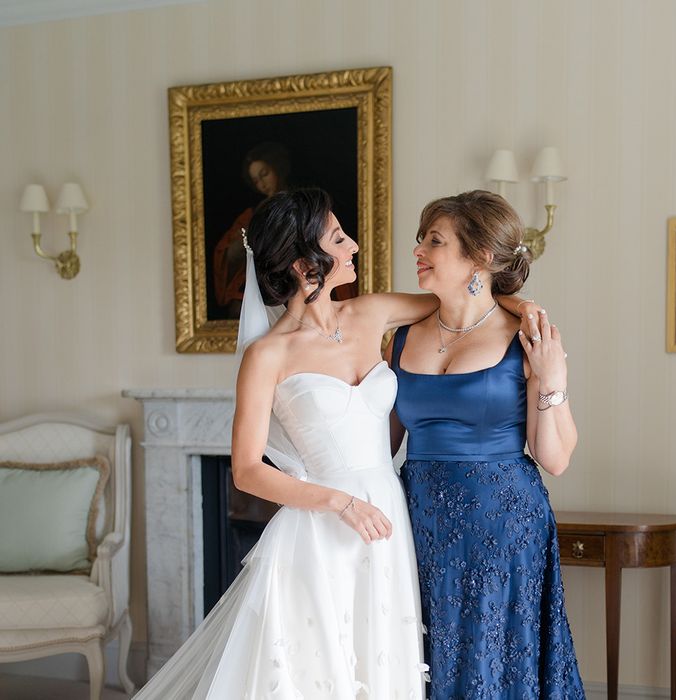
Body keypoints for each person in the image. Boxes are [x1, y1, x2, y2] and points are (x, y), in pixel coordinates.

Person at [134, 188, 542, 698]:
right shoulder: (267, 356)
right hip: (320, 526)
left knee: (381, 663)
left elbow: (462, 298)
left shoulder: (372, 313)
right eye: (338, 238)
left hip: (389, 520)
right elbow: (246, 470)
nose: (352, 246)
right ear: (306, 262)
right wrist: (336, 500)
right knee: (315, 672)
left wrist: (521, 305)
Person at [386, 190, 584, 698]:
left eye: (435, 240)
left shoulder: (526, 335)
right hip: (421, 521)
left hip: (504, 524)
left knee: (493, 660)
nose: (419, 250)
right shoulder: (402, 336)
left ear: (480, 257)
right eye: (421, 239)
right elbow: (383, 443)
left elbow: (555, 458)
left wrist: (552, 377)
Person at [212, 142, 292, 318]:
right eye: (256, 180)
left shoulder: (300, 205)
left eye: (264, 174)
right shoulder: (254, 213)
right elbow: (228, 254)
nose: (262, 184)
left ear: (277, 167)